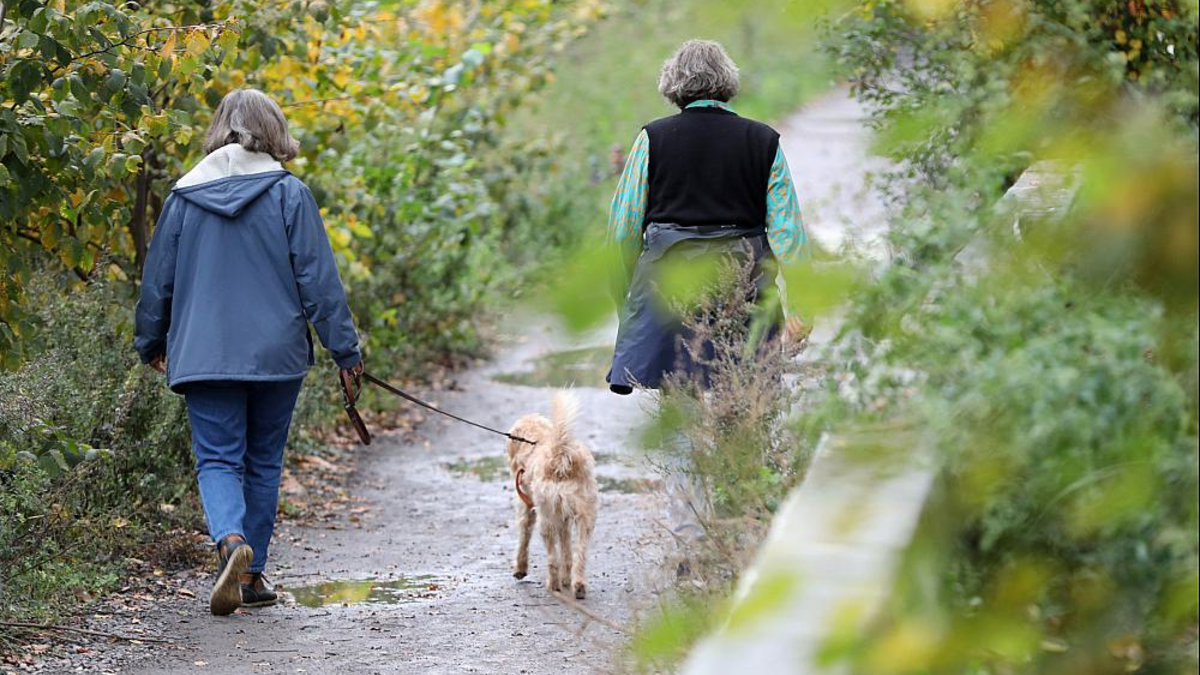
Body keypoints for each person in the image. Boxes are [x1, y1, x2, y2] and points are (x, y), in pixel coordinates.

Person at [134, 89, 362, 616]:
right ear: (274, 131)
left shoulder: (182, 197)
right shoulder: (289, 194)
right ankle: (252, 574)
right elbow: (319, 282)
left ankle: (231, 542)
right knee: (262, 460)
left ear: (219, 129)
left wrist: (152, 341)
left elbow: (157, 283)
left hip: (204, 353)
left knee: (217, 457)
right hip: (275, 353)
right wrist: (345, 352)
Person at [606, 39, 807, 396]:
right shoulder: (763, 141)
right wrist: (803, 311)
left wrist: (629, 307)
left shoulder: (652, 138)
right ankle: (740, 448)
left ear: (673, 84)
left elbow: (623, 230)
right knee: (745, 397)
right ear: (727, 81)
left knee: (679, 401)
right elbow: (788, 235)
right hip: (744, 282)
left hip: (669, 284)